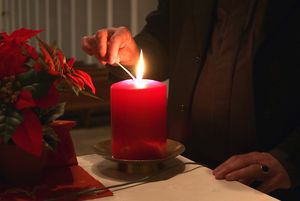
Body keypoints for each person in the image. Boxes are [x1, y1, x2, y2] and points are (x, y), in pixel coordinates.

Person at [81, 0, 300, 200]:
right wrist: (134, 53)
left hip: (267, 182)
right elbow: (162, 38)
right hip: (188, 164)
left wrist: (290, 158)